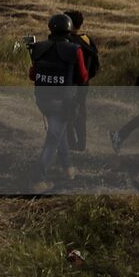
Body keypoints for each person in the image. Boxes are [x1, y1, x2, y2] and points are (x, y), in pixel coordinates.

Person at [28, 14, 88, 191]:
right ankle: (38, 179)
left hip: (42, 100)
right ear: (69, 29)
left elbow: (32, 75)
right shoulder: (75, 50)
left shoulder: (38, 48)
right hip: (63, 102)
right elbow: (83, 76)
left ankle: (68, 168)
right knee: (53, 140)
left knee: (58, 133)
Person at [65, 9, 99, 151]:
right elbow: (96, 66)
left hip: (68, 84)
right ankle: (81, 145)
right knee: (81, 113)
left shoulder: (67, 41)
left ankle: (71, 144)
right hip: (83, 84)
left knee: (66, 114)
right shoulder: (87, 40)